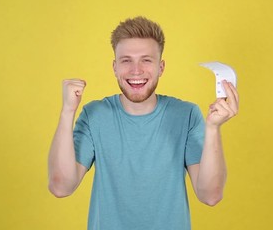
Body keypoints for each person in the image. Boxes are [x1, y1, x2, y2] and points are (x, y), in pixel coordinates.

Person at [48, 16, 239, 230]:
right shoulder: (95, 115)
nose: (136, 70)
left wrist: (213, 128)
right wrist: (67, 111)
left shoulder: (186, 115)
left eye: (146, 60)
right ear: (114, 67)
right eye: (126, 60)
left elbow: (210, 195)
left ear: (161, 67)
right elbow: (61, 187)